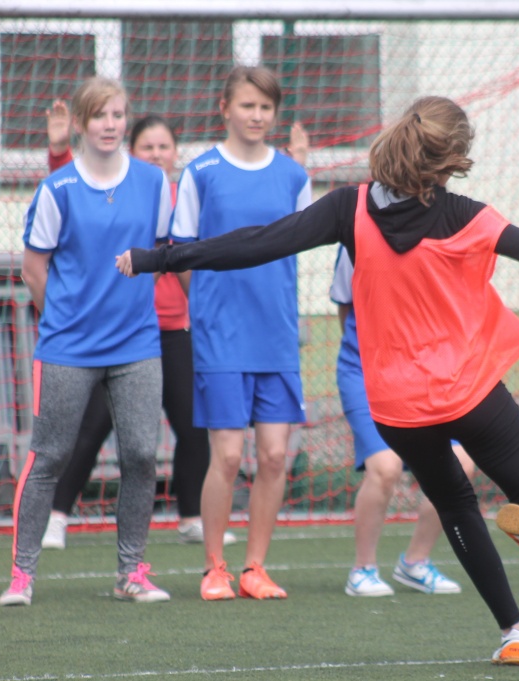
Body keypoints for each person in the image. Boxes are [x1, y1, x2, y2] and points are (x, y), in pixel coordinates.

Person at [116, 95, 519, 664]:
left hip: (395, 405)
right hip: (467, 389)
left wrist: (159, 259)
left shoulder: (351, 207)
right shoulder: (467, 215)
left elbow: (259, 242)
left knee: (455, 503)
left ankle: (515, 631)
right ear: (450, 160)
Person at [0, 76, 173, 606]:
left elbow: (164, 252)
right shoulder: (57, 189)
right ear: (80, 123)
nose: (110, 125)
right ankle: (22, 577)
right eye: (99, 116)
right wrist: (67, 321)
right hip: (67, 349)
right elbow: (33, 270)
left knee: (142, 455)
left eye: (118, 115)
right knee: (50, 455)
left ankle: (131, 574)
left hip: (138, 345)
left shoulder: (154, 182)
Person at [37, 103, 220, 548]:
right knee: (91, 428)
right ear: (130, 150)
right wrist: (60, 151)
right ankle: (56, 516)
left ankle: (192, 516)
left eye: (164, 146)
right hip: (116, 332)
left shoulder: (177, 197)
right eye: (147, 146)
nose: (156, 154)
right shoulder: (122, 188)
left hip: (172, 330)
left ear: (175, 153)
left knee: (194, 426)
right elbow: (80, 197)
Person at [170, 66, 312, 602]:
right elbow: (182, 252)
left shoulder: (295, 176)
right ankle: (214, 568)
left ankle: (255, 569)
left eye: (266, 108)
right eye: (247, 105)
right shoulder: (201, 172)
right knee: (227, 457)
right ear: (224, 107)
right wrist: (207, 309)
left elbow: (302, 245)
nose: (256, 116)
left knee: (274, 456)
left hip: (275, 336)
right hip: (220, 338)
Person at [331, 246, 471, 597]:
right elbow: (344, 307)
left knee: (463, 464)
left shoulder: (443, 232)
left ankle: (415, 563)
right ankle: (362, 570)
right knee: (386, 467)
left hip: (423, 373)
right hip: (365, 373)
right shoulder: (356, 234)